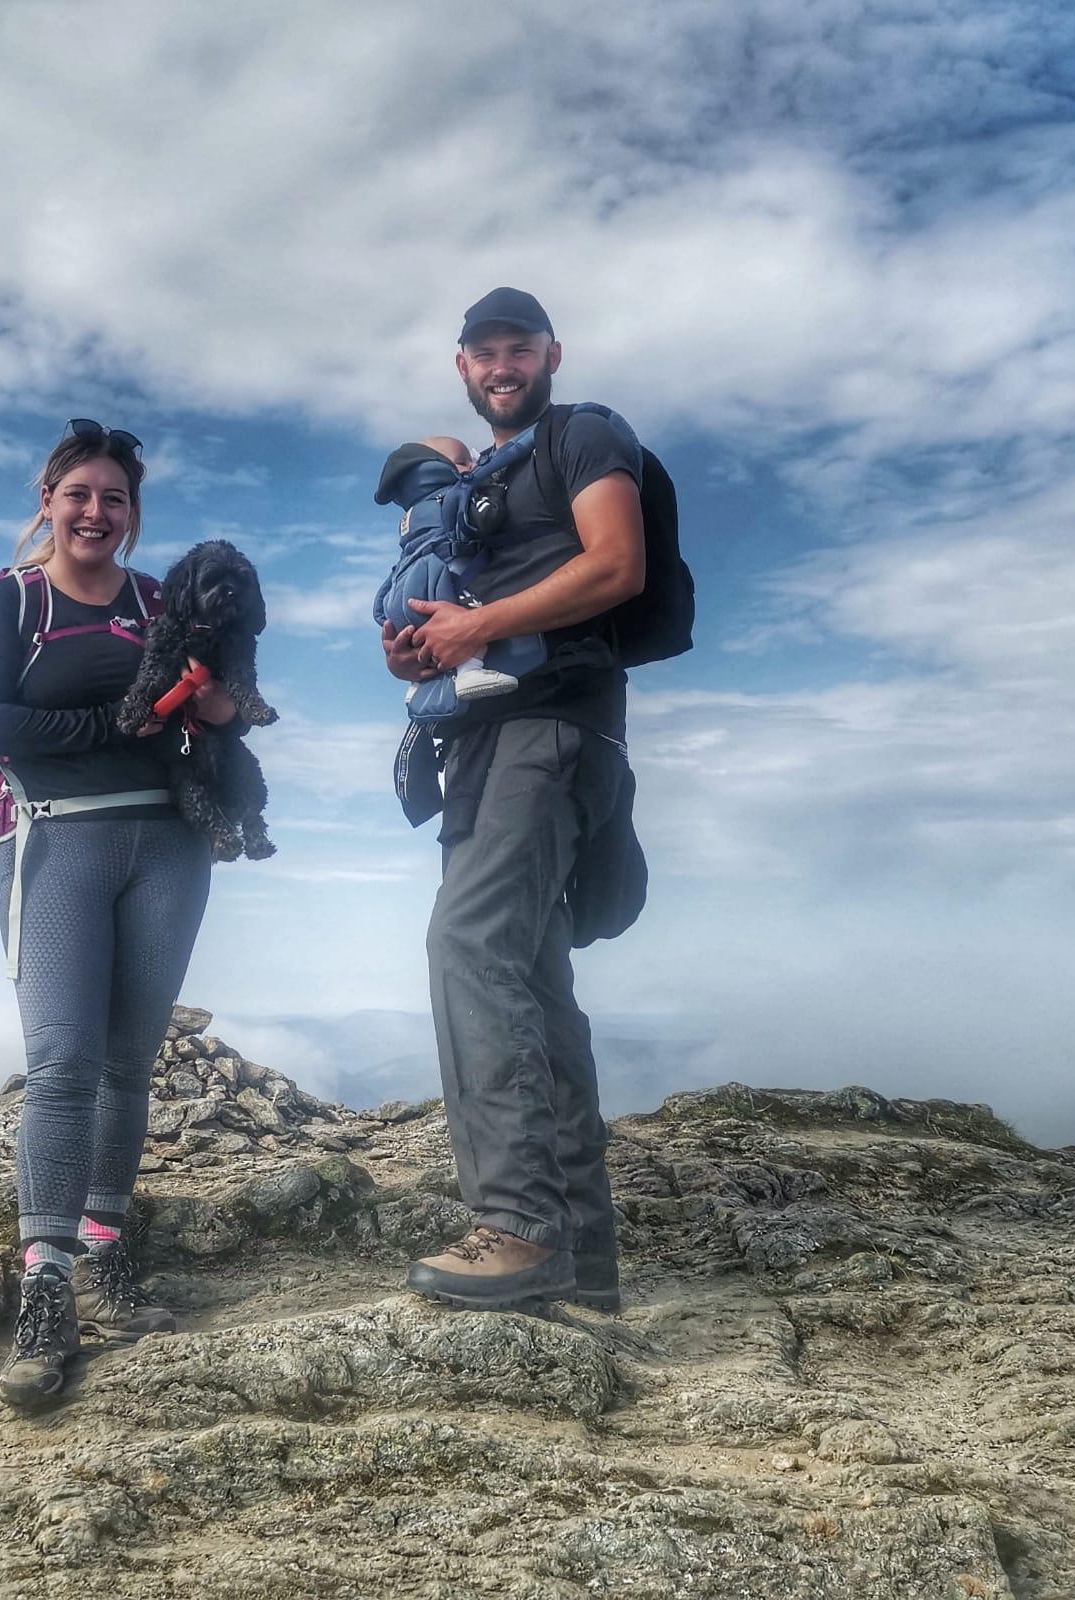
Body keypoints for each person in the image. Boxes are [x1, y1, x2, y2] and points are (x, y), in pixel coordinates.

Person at [0, 419, 242, 1408]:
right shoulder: (15, 601)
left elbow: (220, 706)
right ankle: (47, 1286)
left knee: (129, 1062)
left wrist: (211, 707)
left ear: (132, 514)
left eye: (113, 498)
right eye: (78, 493)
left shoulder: (159, 600)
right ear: (48, 500)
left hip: (168, 843)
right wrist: (109, 724)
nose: (95, 511)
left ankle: (107, 1243)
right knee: (64, 1066)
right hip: (59, 842)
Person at [381, 288, 646, 1314]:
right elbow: (445, 624)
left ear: (551, 354)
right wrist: (422, 640)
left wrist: (476, 624)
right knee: (531, 982)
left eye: (518, 348)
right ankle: (583, 1264)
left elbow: (615, 566)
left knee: (468, 945)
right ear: (462, 366)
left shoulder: (584, 435)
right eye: (484, 352)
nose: (502, 365)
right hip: (482, 739)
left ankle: (518, 1227)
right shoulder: (477, 484)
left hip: (548, 729)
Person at [371, 431, 548, 717]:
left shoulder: (413, 513)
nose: (474, 465)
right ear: (439, 469)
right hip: (444, 586)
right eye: (464, 461)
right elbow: (484, 517)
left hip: (406, 595)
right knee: (471, 613)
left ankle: (421, 684)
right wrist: (491, 501)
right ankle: (470, 671)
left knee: (430, 639)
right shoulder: (455, 496)